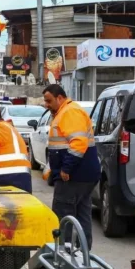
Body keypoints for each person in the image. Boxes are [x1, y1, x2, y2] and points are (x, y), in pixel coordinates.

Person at [42, 84, 100, 249]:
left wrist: (66, 169)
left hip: (74, 176)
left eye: (49, 100)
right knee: (82, 215)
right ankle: (83, 254)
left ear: (60, 98)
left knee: (63, 216)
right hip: (83, 175)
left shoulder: (69, 112)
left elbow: (78, 142)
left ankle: (65, 254)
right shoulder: (66, 112)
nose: (46, 104)